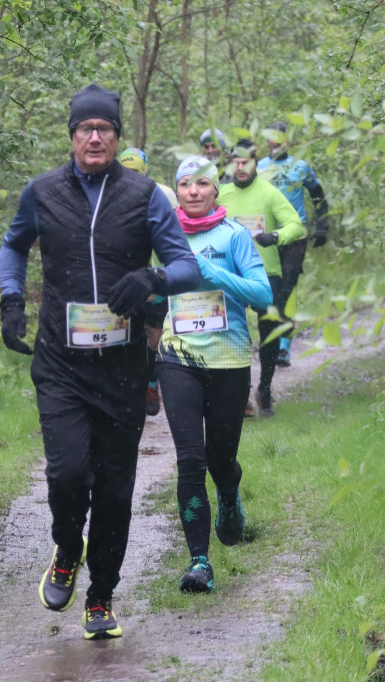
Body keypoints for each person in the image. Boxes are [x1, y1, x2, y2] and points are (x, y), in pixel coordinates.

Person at [0, 84, 201, 640]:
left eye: (104, 130)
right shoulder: (41, 192)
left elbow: (186, 265)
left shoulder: (144, 195)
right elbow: (14, 245)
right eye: (85, 129)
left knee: (114, 487)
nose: (94, 137)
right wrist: (11, 298)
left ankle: (102, 596)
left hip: (122, 365)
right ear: (71, 137)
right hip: (60, 361)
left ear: (117, 137)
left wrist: (152, 277)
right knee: (66, 474)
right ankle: (67, 549)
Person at [153, 155, 272, 593]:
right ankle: (199, 561)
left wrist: (213, 273)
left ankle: (229, 491)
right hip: (177, 357)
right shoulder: (162, 235)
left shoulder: (235, 236)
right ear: (177, 192)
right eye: (186, 185)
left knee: (220, 459)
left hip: (230, 360)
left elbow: (262, 293)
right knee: (190, 460)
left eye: (203, 184)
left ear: (215, 189)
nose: (194, 192)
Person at [217, 140, 305, 417]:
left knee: (269, 333)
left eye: (246, 161)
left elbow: (296, 226)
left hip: (267, 274)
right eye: (236, 162)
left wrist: (275, 236)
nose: (241, 167)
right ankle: (240, 392)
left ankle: (264, 386)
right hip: (231, 274)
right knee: (233, 333)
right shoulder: (221, 194)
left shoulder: (269, 193)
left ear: (256, 162)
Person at [257, 121, 331, 368]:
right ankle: (270, 339)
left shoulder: (301, 167)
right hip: (267, 237)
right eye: (272, 137)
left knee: (287, 287)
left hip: (294, 237)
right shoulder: (258, 168)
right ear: (267, 140)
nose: (276, 141)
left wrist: (322, 225)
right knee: (270, 289)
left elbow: (319, 196)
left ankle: (284, 347)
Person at [118, 147, 177, 417]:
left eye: (136, 174)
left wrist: (165, 281)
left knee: (155, 334)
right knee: (125, 335)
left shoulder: (163, 194)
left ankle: (151, 383)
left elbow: (176, 239)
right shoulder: (109, 194)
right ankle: (127, 391)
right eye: (126, 173)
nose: (131, 179)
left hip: (156, 278)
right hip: (125, 278)